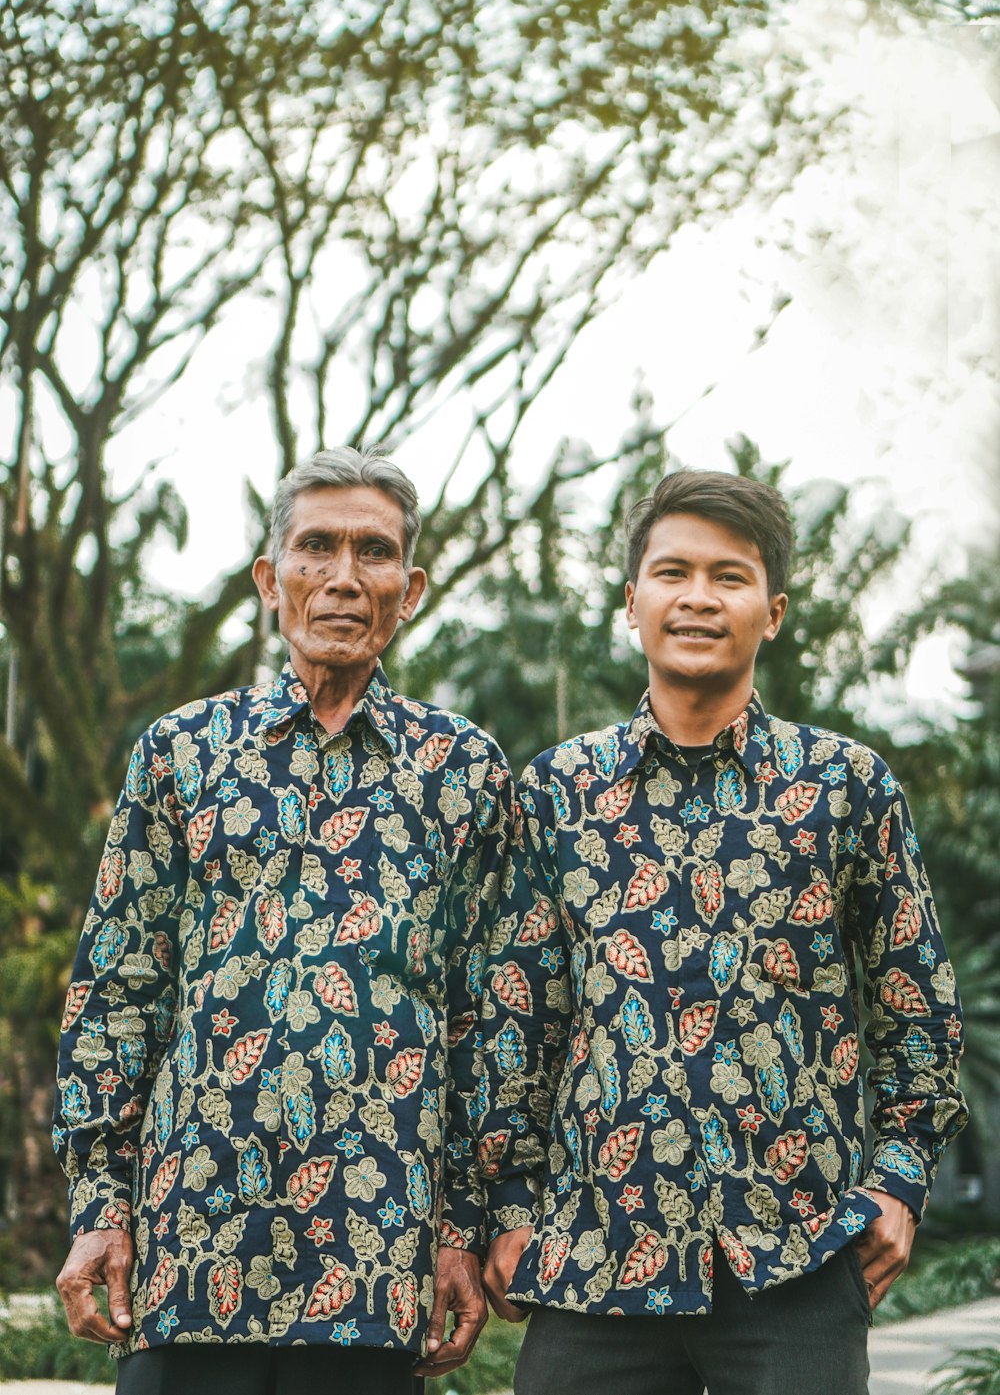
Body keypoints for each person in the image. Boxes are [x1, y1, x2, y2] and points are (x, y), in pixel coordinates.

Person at [478, 469, 966, 1395]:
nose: (699, 596)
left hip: (800, 1261)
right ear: (633, 602)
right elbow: (515, 1021)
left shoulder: (845, 787)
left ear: (771, 610)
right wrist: (507, 1204)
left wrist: (898, 1182)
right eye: (673, 571)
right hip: (594, 1260)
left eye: (729, 576)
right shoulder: (555, 794)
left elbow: (920, 1010)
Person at [53, 447, 512, 1395]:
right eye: (317, 548)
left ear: (410, 587)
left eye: (374, 553)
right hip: (188, 1256)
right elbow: (118, 985)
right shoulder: (181, 752)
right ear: (271, 578)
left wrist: (463, 1228)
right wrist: (101, 1205)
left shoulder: (464, 769)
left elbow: (491, 1019)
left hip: (376, 1266)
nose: (345, 578)